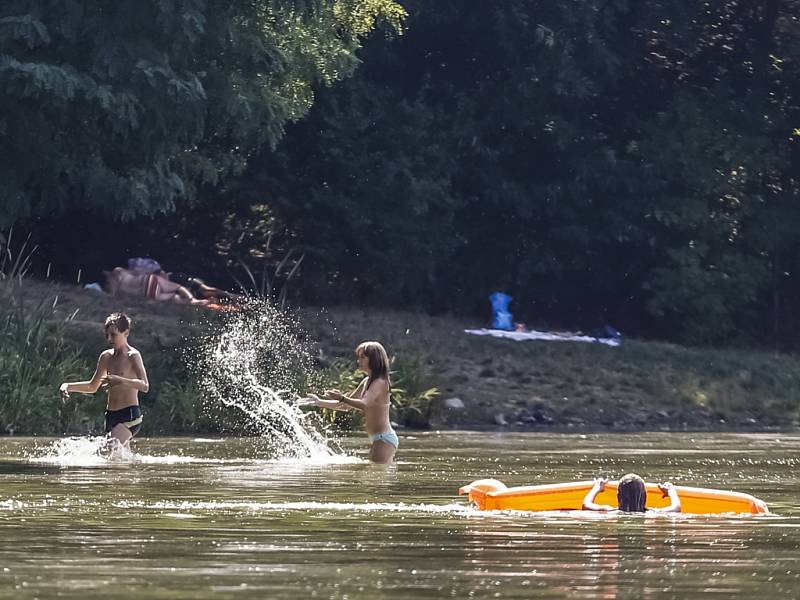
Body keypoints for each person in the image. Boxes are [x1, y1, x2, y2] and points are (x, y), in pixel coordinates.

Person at [59, 313, 149, 452]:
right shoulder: (106, 357)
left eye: (113, 335)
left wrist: (119, 380)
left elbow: (145, 385)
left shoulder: (133, 356)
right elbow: (92, 386)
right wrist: (67, 386)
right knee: (120, 463)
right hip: (111, 416)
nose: (109, 339)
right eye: (107, 335)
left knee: (104, 452)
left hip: (129, 416)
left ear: (126, 333)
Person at [304, 341, 398, 464]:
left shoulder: (380, 382)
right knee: (377, 476)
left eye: (362, 357)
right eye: (358, 357)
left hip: (383, 439)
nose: (358, 361)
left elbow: (364, 404)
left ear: (374, 359)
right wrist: (319, 402)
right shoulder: (366, 381)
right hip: (379, 439)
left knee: (374, 478)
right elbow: (346, 406)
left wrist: (342, 397)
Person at [102, 267, 208, 305]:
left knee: (172, 297)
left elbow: (113, 296)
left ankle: (194, 303)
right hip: (148, 280)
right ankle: (194, 300)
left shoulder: (113, 287)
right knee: (178, 287)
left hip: (146, 293)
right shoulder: (118, 270)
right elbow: (137, 272)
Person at [582, 474, 681, 513]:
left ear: (618, 496)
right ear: (645, 496)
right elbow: (676, 508)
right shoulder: (653, 513)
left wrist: (597, 488)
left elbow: (586, 505)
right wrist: (671, 491)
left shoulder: (610, 511)